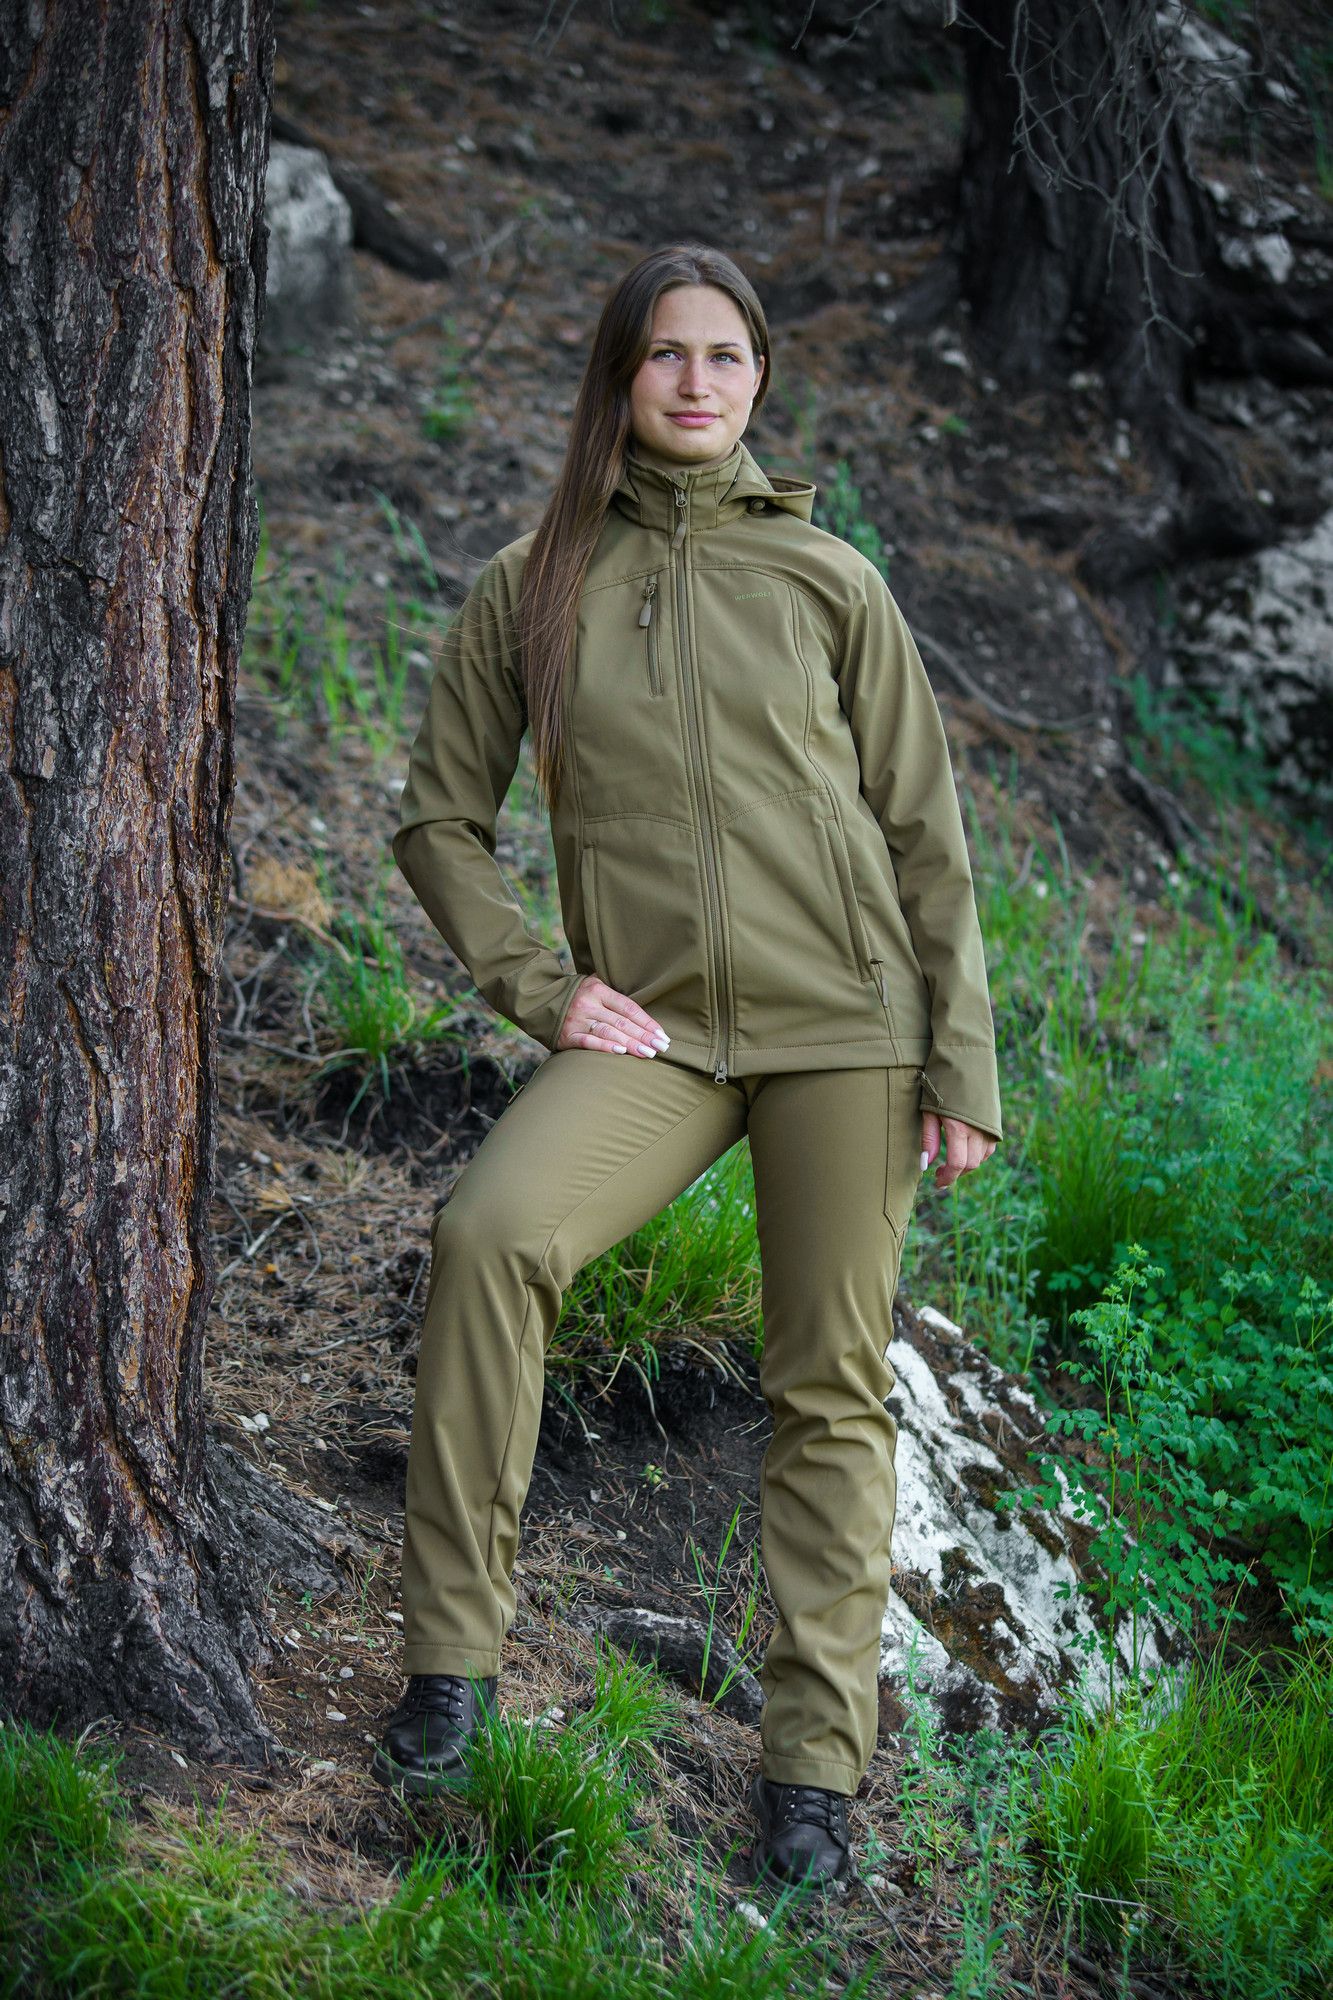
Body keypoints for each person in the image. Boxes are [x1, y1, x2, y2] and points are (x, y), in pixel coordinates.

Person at [371, 243, 1000, 1891]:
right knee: (491, 1235)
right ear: (619, 375)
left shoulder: (827, 578)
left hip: (844, 1027)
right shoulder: (532, 583)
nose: (697, 382)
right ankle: (450, 1670)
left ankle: (811, 1774)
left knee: (829, 1381)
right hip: (657, 1032)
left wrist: (961, 1061)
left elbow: (924, 833)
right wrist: (539, 987)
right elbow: (437, 820)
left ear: (759, 379)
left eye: (726, 356)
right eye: (666, 354)